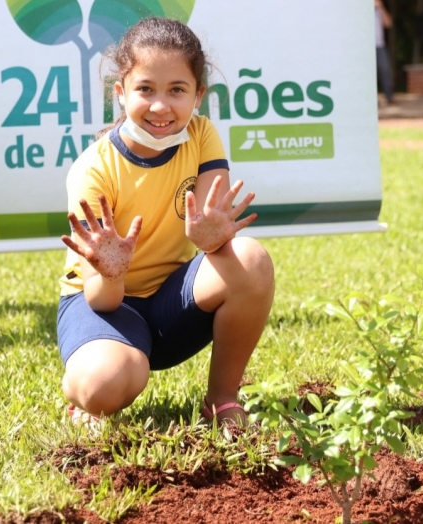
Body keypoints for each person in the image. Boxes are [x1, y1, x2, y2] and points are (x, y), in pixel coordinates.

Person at [56, 17, 275, 426]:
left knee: (250, 257)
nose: (161, 106)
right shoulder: (92, 171)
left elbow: (213, 222)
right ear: (120, 93)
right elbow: (101, 298)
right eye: (145, 89)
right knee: (104, 386)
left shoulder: (201, 133)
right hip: (104, 307)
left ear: (198, 95)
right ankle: (81, 391)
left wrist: (210, 238)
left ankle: (223, 400)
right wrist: (113, 272)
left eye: (177, 90)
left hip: (171, 306)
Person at [375, 0, 394, 104]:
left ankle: (389, 96)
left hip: (379, 45)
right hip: (364, 48)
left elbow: (388, 23)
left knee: (385, 70)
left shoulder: (379, 10)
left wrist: (381, 7)